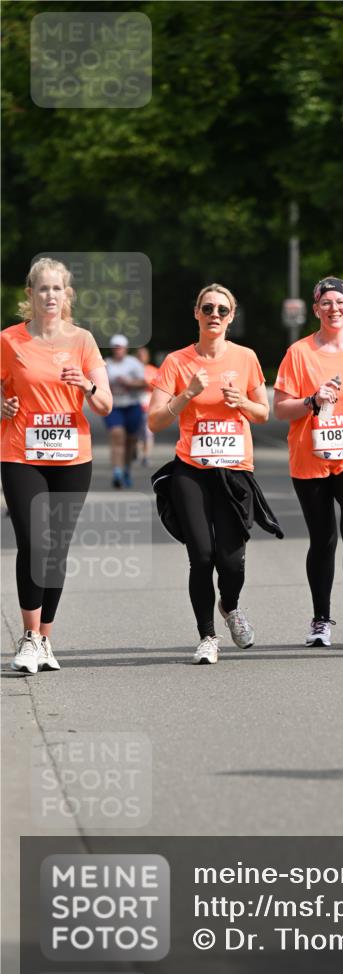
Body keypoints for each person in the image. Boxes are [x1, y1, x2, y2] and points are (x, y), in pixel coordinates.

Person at [148, 283, 277, 665]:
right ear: (196, 313)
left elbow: (263, 413)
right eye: (208, 308)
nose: (215, 315)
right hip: (191, 469)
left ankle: (231, 606)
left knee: (232, 559)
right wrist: (186, 394)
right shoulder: (176, 362)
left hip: (235, 471)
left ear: (232, 316)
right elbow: (155, 421)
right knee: (201, 556)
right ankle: (207, 636)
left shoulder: (246, 357)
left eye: (222, 310)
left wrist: (243, 403)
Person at [1, 257, 112, 673]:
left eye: (57, 288)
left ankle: (46, 638)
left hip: (71, 457)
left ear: (68, 295)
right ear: (30, 294)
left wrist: (86, 384)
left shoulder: (82, 340)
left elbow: (105, 403)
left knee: (56, 550)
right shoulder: (9, 340)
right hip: (20, 454)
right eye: (42, 288)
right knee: (34, 542)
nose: (50, 295)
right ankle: (28, 638)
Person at [273, 276, 343, 648]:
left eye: (340, 302)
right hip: (311, 454)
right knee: (323, 538)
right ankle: (321, 619)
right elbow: (280, 408)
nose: (334, 309)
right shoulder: (299, 352)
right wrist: (311, 399)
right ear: (316, 308)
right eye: (326, 303)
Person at [104, 333, 146, 488]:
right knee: (117, 436)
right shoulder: (106, 364)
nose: (117, 350)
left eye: (120, 347)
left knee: (130, 442)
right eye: (115, 347)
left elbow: (144, 383)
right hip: (114, 406)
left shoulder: (134, 363)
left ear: (125, 348)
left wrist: (129, 383)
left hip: (132, 405)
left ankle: (127, 468)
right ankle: (117, 472)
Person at [136, 346, 158, 466]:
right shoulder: (132, 370)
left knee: (147, 432)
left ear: (147, 357)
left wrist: (146, 384)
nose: (141, 358)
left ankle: (146, 456)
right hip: (133, 405)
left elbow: (160, 387)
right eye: (139, 355)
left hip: (147, 407)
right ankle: (137, 454)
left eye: (143, 355)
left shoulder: (153, 370)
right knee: (135, 432)